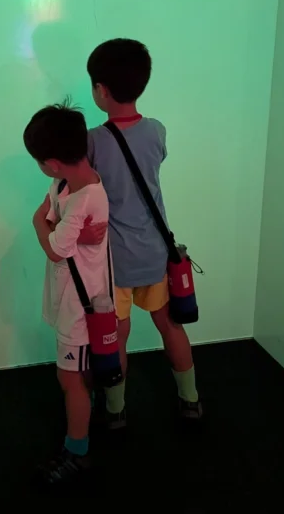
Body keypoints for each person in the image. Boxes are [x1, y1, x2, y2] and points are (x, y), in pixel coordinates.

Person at [82, 38, 203, 428]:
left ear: (101, 90)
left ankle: (115, 410)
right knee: (170, 325)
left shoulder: (93, 141)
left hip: (114, 261)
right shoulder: (156, 131)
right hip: (154, 252)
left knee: (117, 333)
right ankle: (190, 399)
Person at [24, 100, 111, 483]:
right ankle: (85, 416)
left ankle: (78, 450)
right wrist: (55, 230)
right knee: (75, 375)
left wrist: (38, 225)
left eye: (40, 161)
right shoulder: (63, 184)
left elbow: (54, 243)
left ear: (53, 162)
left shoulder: (85, 198)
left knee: (70, 379)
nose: (41, 169)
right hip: (70, 297)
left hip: (82, 304)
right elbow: (54, 225)